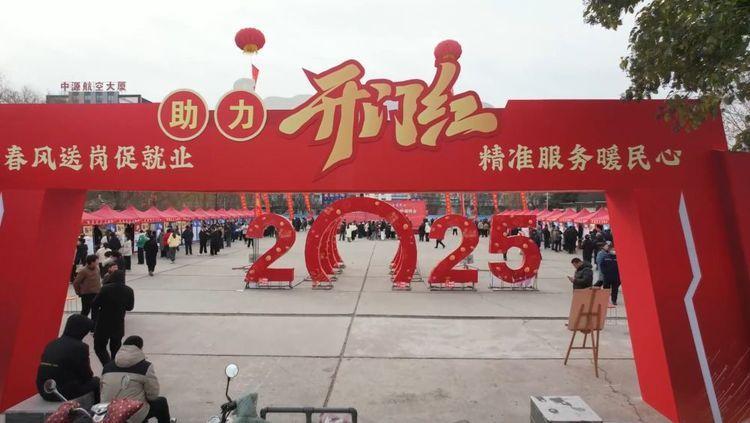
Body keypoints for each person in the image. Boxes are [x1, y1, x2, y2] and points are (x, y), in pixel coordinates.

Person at [101, 336, 174, 423]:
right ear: (140, 348)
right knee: (161, 402)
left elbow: (102, 390)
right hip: (130, 414)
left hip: (109, 414)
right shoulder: (145, 367)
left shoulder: (107, 367)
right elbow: (153, 395)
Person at [36, 314, 100, 403]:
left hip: (44, 390)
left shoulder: (52, 344)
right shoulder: (80, 347)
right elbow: (86, 375)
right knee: (97, 382)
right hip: (62, 393)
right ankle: (95, 409)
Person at [92, 270, 134, 366]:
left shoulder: (105, 289)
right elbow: (130, 307)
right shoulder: (129, 290)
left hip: (103, 322)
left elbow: (95, 303)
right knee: (115, 348)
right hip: (118, 323)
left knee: (99, 346)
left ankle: (107, 364)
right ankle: (113, 366)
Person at [73, 254, 102, 324]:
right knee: (85, 310)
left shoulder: (97, 268)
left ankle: (94, 326)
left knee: (95, 310)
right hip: (87, 294)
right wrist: (78, 292)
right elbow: (76, 283)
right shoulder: (83, 271)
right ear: (92, 262)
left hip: (97, 293)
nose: (98, 262)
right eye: (97, 260)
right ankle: (81, 324)